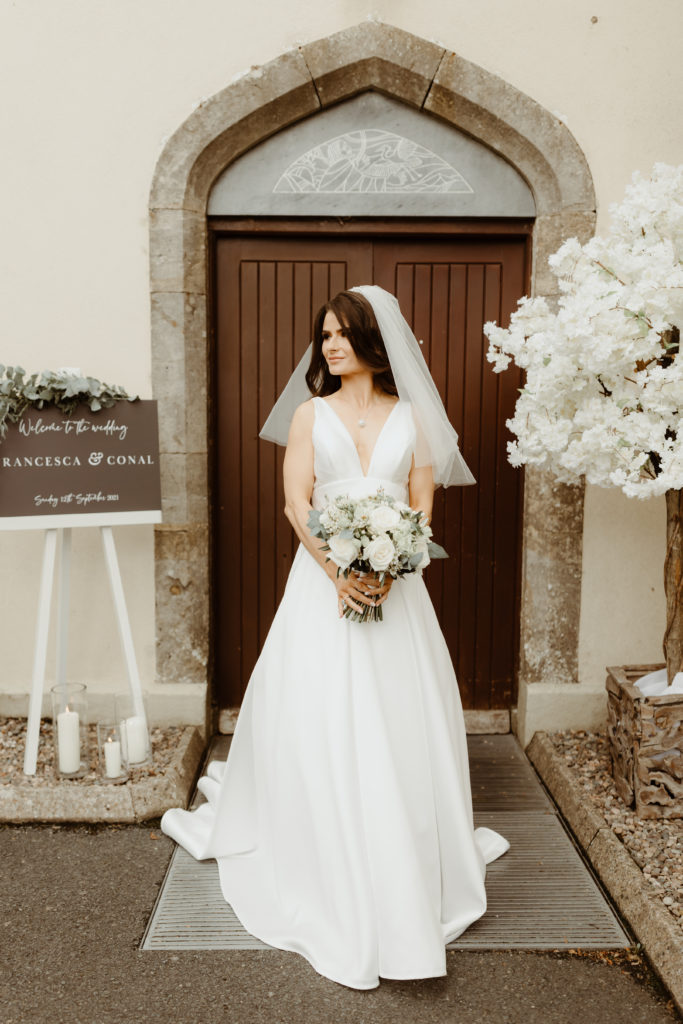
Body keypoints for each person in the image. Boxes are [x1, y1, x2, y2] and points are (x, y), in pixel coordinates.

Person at [160, 285, 510, 990]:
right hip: (321, 583)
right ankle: (325, 838)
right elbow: (294, 500)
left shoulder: (412, 417)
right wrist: (336, 573)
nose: (329, 346)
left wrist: (394, 562)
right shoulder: (306, 413)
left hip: (395, 586)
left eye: (342, 334)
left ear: (373, 342)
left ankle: (398, 836)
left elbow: (421, 504)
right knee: (320, 705)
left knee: (395, 709)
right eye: (323, 337)